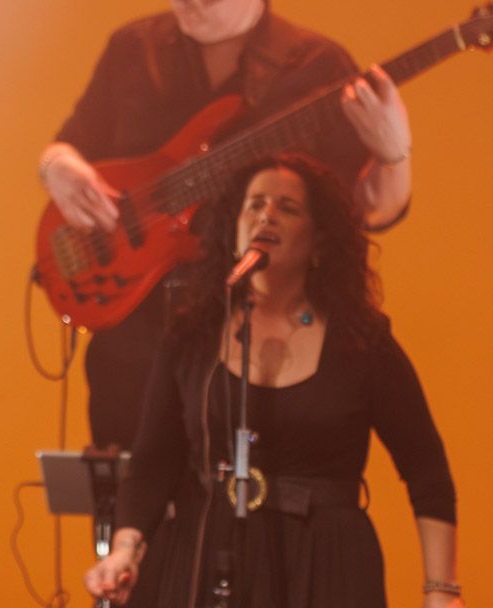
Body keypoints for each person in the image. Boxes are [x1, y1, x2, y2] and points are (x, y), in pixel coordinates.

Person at [37, 0, 414, 450]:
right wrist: (57, 167)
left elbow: (372, 211)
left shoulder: (314, 68)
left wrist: (393, 153)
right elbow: (69, 143)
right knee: (128, 523)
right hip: (134, 346)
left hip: (254, 345)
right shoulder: (133, 50)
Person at [83, 152, 462, 608]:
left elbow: (427, 471)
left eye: (288, 207)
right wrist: (125, 550)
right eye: (255, 204)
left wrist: (442, 591)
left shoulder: (362, 342)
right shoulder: (193, 337)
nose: (267, 214)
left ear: (320, 241)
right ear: (234, 231)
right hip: (210, 554)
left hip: (327, 564)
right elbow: (153, 463)